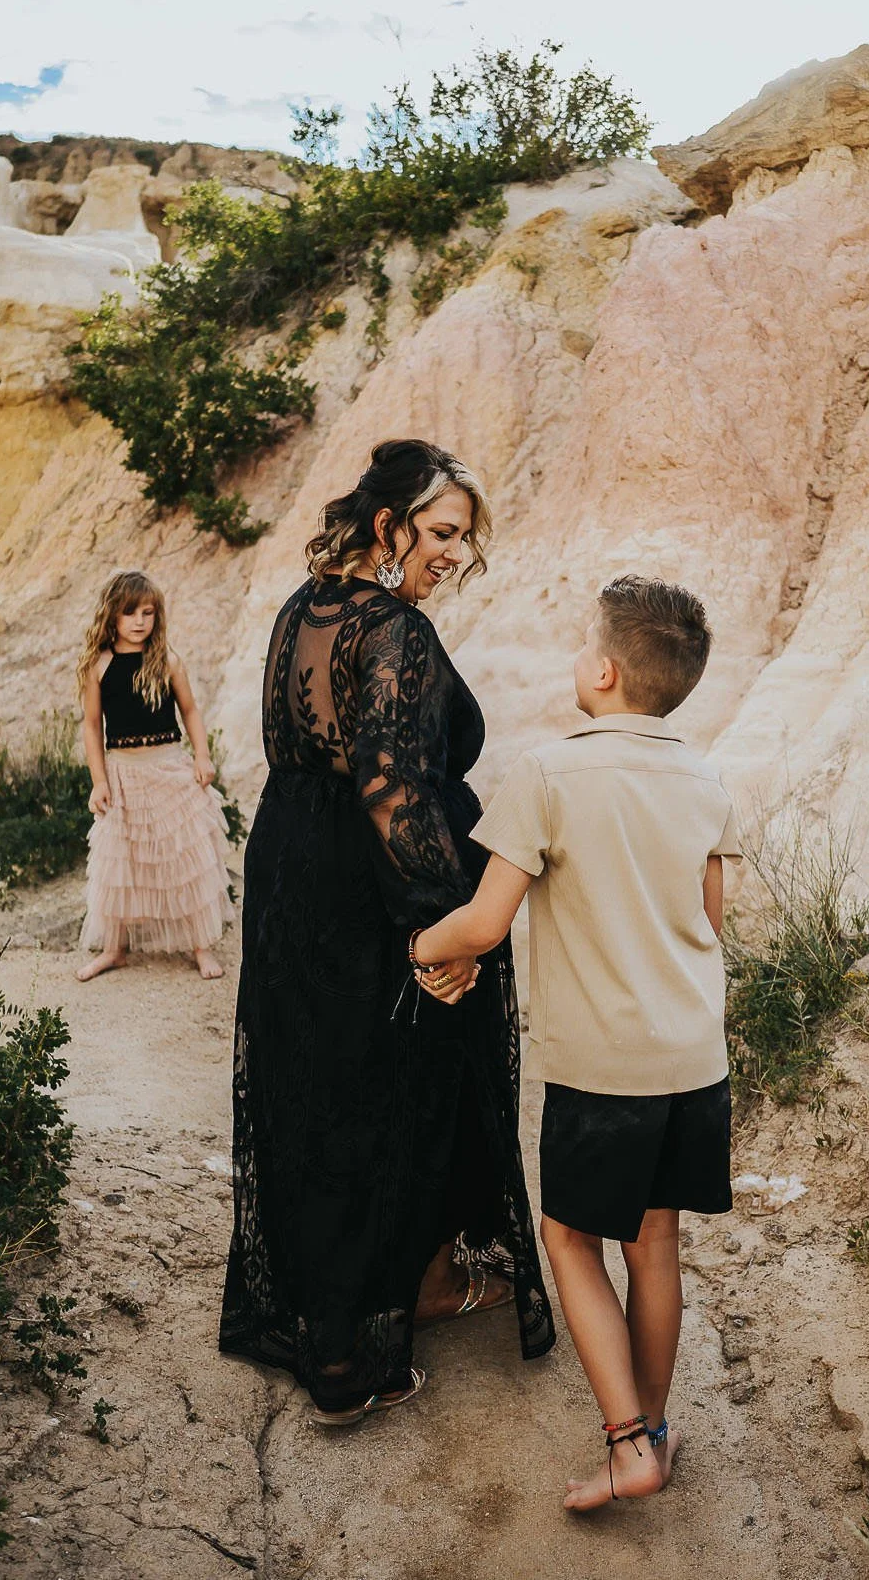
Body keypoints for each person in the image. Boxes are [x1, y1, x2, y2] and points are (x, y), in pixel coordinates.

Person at [220, 439, 554, 1423]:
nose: (453, 553)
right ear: (388, 527)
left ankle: (350, 1304)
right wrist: (439, 928)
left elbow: (306, 760)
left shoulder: (304, 606)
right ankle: (367, 1340)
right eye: (443, 532)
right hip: (377, 888)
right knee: (394, 1092)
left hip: (293, 872)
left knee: (318, 1084)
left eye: (463, 538)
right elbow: (389, 783)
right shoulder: (396, 628)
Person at [412, 576, 740, 1510]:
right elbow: (713, 918)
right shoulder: (707, 776)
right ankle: (658, 1430)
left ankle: (627, 1441)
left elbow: (482, 923)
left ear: (601, 668)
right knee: (657, 1244)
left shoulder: (547, 774)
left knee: (568, 1236)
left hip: (604, 1067)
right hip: (693, 1058)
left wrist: (420, 946)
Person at [75, 570, 231, 982]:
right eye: (130, 613)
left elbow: (191, 711)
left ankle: (201, 946)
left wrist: (202, 756)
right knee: (119, 862)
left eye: (148, 612)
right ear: (112, 616)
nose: (140, 621)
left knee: (183, 857)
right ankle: (114, 949)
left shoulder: (167, 660)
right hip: (123, 771)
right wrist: (99, 780)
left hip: (169, 768)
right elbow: (92, 725)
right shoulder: (99, 665)